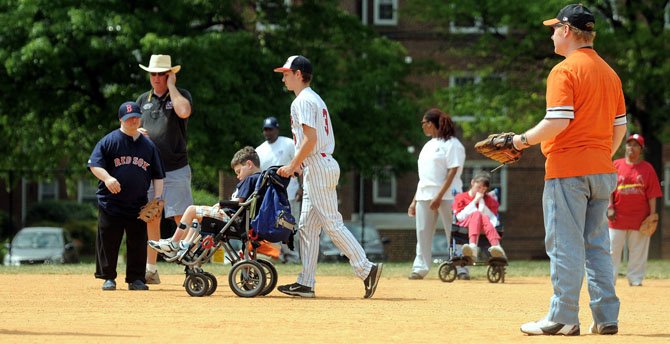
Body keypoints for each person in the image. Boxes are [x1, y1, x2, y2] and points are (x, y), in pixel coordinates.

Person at [513, 4, 628, 336]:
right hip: (601, 170)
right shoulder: (610, 73)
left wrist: (521, 141)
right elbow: (619, 128)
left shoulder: (564, 71)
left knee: (565, 245)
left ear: (566, 31)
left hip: (567, 171)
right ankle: (606, 317)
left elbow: (558, 120)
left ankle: (563, 316)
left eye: (554, 29)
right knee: (596, 246)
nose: (551, 34)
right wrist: (600, 155)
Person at [274, 55, 382, 298]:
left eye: (286, 73)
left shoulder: (302, 100)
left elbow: (310, 139)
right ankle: (306, 282)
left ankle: (366, 269)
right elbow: (311, 141)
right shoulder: (314, 98)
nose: (283, 77)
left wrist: (293, 164)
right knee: (307, 227)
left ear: (299, 74)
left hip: (319, 165)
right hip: (318, 163)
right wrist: (301, 164)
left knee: (332, 224)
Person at [148, 146, 279, 260]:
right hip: (238, 219)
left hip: (232, 218)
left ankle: (174, 242)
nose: (238, 176)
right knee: (197, 219)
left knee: (191, 210)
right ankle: (186, 245)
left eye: (239, 171)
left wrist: (221, 204)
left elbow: (239, 202)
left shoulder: (250, 179)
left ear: (249, 164)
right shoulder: (260, 180)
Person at [87, 101, 165, 291]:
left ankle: (136, 278)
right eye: (129, 118)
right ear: (121, 119)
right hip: (111, 202)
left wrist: (158, 198)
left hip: (138, 203)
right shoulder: (109, 141)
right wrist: (107, 178)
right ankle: (108, 277)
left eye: (136, 117)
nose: (133, 120)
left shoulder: (148, 146)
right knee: (109, 240)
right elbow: (94, 164)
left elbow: (158, 174)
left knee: (138, 241)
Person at [136, 54, 194, 284]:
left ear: (169, 74)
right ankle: (151, 270)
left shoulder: (180, 95)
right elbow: (129, 128)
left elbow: (184, 112)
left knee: (183, 217)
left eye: (162, 73)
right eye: (154, 73)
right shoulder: (143, 100)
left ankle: (191, 265)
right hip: (150, 171)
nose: (157, 78)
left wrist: (172, 86)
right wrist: (136, 132)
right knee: (152, 217)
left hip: (176, 167)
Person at [407, 108, 465, 280]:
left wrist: (438, 196)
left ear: (431, 124)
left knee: (453, 233)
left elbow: (452, 171)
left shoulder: (453, 144)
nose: (422, 127)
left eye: (423, 123)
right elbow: (424, 177)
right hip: (424, 195)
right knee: (423, 232)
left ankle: (461, 268)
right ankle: (420, 268)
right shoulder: (427, 146)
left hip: (448, 196)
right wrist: (414, 201)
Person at [607, 134, 662, 287]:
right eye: (629, 144)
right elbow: (609, 190)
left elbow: (652, 194)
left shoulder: (647, 169)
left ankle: (636, 279)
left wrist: (652, 216)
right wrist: (610, 207)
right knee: (611, 250)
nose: (632, 147)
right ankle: (609, 280)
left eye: (636, 145)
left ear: (641, 149)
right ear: (625, 147)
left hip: (640, 219)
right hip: (617, 217)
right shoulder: (616, 165)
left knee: (638, 251)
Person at [256, 116, 301, 263]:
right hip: (272, 197)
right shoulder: (260, 150)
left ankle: (293, 257)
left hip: (291, 192)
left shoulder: (288, 143)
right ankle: (278, 256)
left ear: (277, 129)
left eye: (271, 129)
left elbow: (300, 164)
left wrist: (302, 187)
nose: (268, 132)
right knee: (274, 226)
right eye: (266, 129)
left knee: (292, 225)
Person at [454, 172, 506, 260]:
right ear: (472, 183)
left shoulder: (490, 200)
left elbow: (493, 221)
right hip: (464, 226)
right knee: (477, 214)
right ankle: (494, 245)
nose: (480, 191)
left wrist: (482, 203)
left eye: (484, 189)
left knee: (483, 216)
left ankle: (496, 249)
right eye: (478, 187)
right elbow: (459, 217)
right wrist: (475, 201)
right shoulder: (461, 197)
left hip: (484, 228)